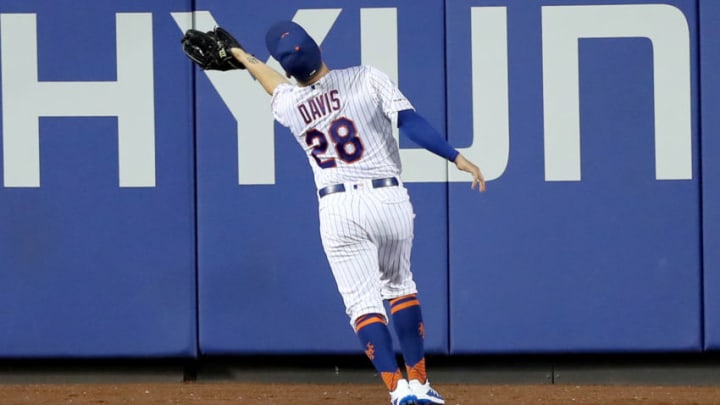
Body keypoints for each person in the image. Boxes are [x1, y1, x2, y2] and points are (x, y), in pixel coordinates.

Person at [229, 20, 486, 405]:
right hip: (388, 198)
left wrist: (242, 58)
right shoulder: (366, 77)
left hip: (338, 207)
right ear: (317, 48)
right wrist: (457, 158)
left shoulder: (290, 105)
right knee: (399, 286)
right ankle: (419, 382)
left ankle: (398, 392)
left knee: (363, 305)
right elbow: (410, 123)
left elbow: (273, 84)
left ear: (287, 69)